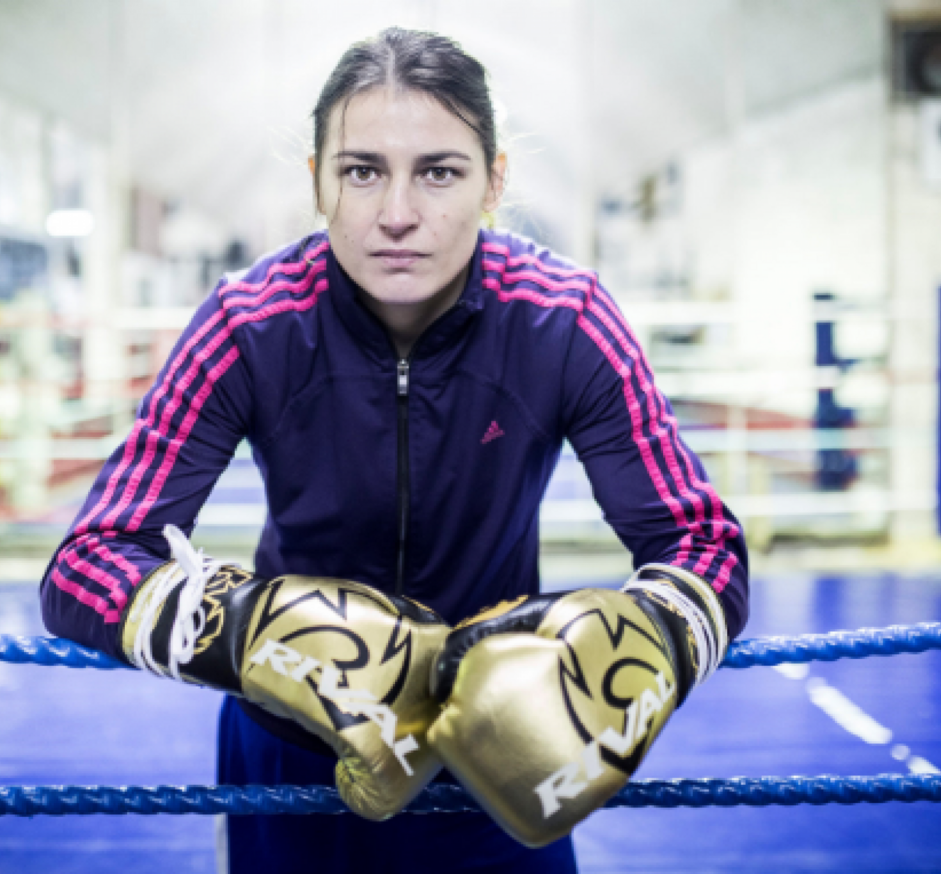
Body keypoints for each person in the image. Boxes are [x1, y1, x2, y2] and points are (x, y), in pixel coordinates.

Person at [41, 26, 748, 873]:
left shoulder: (565, 320)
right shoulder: (248, 323)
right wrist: (250, 632)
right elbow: (85, 563)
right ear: (318, 182)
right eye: (362, 171)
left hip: (499, 760)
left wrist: (642, 642)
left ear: (494, 181)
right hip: (290, 758)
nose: (398, 214)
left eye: (439, 172)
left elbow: (703, 545)